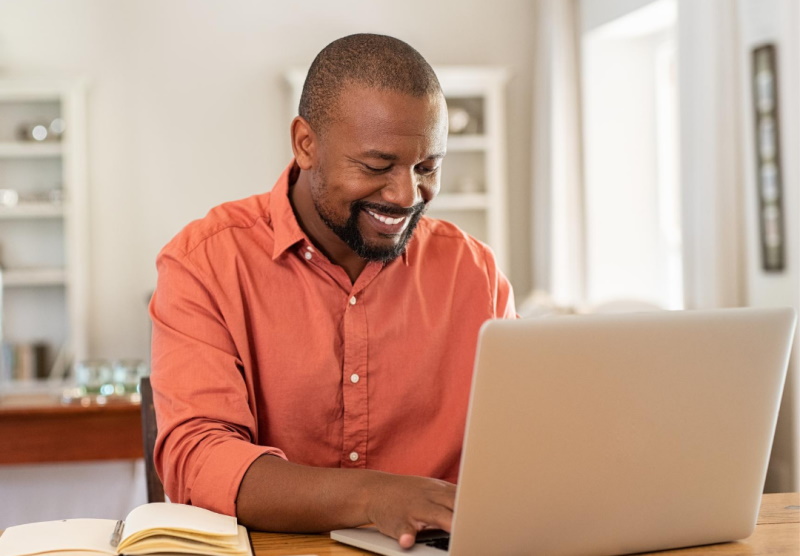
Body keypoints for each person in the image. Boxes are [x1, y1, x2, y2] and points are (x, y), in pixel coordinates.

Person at [149, 33, 516, 548]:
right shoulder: (204, 262)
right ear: (305, 144)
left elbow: (517, 447)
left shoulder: (474, 272)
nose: (407, 195)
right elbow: (199, 458)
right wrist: (373, 497)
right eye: (376, 166)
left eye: (427, 167)